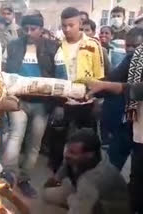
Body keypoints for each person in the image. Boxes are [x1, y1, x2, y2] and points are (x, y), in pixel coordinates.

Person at [1, 13, 67, 198]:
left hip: (42, 104)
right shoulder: (12, 46)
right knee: (16, 135)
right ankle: (8, 175)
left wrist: (60, 105)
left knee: (34, 144)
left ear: (41, 29)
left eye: (33, 29)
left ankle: (24, 179)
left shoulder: (54, 48)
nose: (29, 33)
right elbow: (3, 73)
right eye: (26, 29)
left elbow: (62, 78)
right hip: (17, 101)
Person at [47, 7, 105, 173]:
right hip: (64, 100)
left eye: (70, 25)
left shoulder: (93, 45)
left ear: (80, 23)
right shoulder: (58, 46)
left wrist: (96, 100)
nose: (66, 29)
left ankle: (91, 174)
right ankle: (58, 174)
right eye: (64, 25)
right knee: (58, 140)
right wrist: (57, 102)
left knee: (88, 141)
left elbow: (99, 75)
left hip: (86, 100)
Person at [43, 129, 130, 214]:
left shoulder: (94, 178)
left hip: (105, 207)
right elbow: (64, 168)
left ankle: (77, 201)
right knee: (47, 194)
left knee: (79, 204)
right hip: (81, 191)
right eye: (67, 150)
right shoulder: (78, 157)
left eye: (72, 152)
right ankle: (76, 200)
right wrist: (56, 179)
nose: (67, 155)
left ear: (89, 155)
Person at [101, 28, 143, 170]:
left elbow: (111, 81)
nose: (131, 50)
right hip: (128, 120)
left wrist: (92, 87)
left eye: (136, 46)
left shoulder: (133, 59)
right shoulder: (131, 59)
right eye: (128, 46)